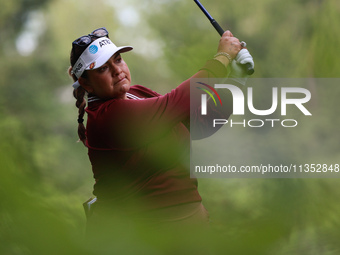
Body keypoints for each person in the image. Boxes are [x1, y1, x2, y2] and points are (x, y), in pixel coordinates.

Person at [68, 27, 253, 241]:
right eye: (102, 69)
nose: (117, 70)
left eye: (118, 60)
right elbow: (177, 102)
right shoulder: (106, 117)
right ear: (86, 83)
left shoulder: (137, 94)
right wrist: (222, 58)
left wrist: (237, 80)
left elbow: (200, 124)